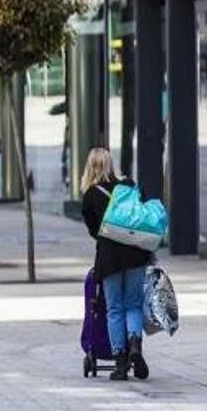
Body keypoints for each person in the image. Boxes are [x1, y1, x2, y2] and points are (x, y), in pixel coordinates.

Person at [80, 147, 153, 381]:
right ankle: (135, 347)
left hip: (109, 258)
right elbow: (143, 216)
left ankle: (120, 364)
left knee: (114, 308)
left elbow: (93, 230)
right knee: (133, 303)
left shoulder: (90, 194)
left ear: (90, 167)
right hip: (135, 254)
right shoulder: (129, 185)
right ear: (111, 164)